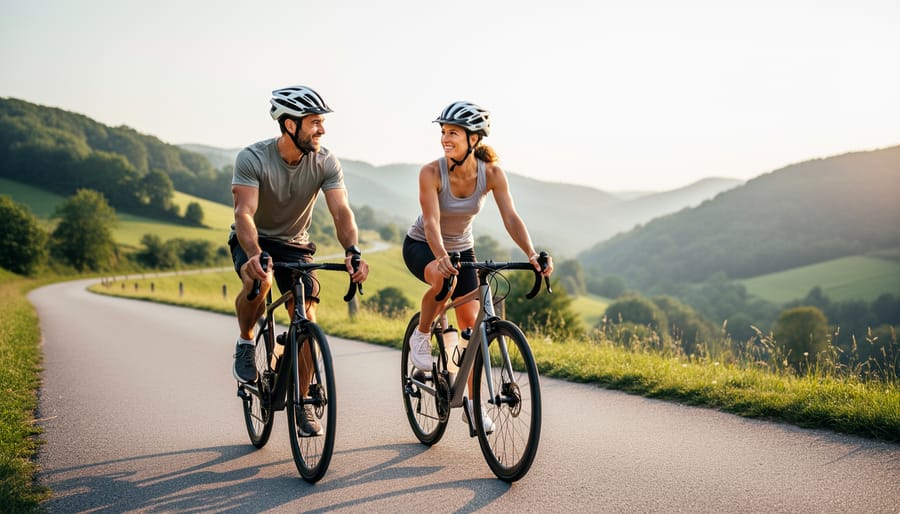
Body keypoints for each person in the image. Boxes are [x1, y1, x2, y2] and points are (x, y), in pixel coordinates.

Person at [402, 100, 553, 433]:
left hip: (462, 249)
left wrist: (531, 253)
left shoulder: (492, 173)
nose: (445, 138)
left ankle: (470, 405)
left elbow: (511, 217)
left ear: (474, 139)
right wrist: (440, 255)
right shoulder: (431, 172)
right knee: (442, 286)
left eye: (452, 133)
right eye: (443, 132)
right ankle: (422, 334)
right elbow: (430, 221)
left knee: (471, 328)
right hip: (423, 246)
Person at [229, 85, 369, 436]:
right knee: (257, 283)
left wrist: (353, 251)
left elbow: (341, 211)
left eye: (321, 122)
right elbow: (244, 213)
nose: (321, 129)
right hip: (255, 238)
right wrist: (253, 254)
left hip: (296, 245)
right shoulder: (253, 158)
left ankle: (302, 403)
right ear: (289, 124)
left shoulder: (325, 161)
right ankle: (246, 341)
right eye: (314, 122)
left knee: (306, 319)